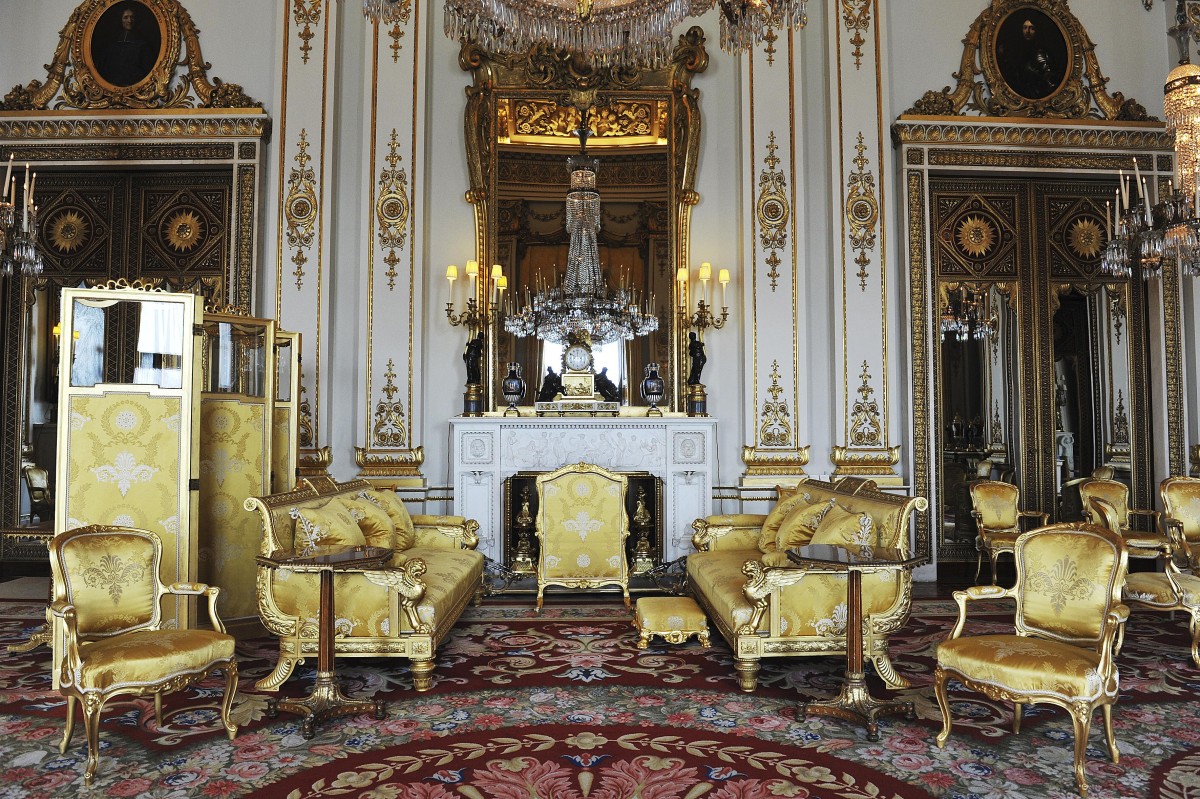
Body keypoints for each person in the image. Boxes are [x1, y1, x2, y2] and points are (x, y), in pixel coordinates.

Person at [96, 5, 156, 87]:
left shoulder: (143, 44)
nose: (129, 20)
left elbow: (147, 71)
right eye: (126, 17)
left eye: (132, 17)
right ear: (120, 19)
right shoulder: (112, 43)